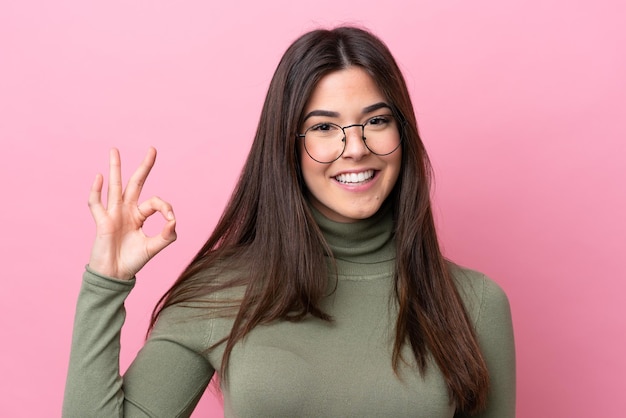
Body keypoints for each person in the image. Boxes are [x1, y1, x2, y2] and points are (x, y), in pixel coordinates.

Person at [63, 26, 515, 417]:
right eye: (323, 127)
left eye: (376, 120)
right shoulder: (221, 292)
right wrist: (106, 281)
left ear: (403, 132)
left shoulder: (474, 303)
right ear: (288, 147)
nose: (355, 148)